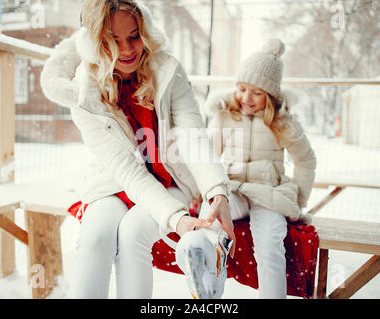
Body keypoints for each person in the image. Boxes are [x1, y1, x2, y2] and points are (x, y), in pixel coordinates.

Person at [40, 0, 235, 299]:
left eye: (134, 36)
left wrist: (217, 191)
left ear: (145, 30)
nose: (128, 50)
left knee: (133, 234)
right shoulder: (84, 91)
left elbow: (193, 137)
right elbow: (128, 172)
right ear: (95, 42)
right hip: (114, 181)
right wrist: (177, 220)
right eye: (112, 41)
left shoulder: (168, 70)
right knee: (96, 235)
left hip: (170, 177)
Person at [177, 38, 317, 299]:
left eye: (256, 92)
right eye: (241, 88)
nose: (245, 98)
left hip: (269, 195)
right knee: (211, 225)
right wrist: (199, 191)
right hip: (233, 189)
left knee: (270, 244)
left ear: (270, 95)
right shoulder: (226, 113)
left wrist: (297, 200)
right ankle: (206, 290)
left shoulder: (283, 121)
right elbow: (208, 155)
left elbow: (306, 160)